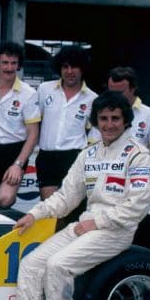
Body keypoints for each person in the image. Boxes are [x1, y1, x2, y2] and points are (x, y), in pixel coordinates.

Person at [2, 91, 150, 300]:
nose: (109, 124)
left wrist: (97, 222)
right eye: (103, 118)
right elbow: (65, 197)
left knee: (58, 265)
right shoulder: (90, 153)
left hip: (116, 230)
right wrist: (35, 215)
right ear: (95, 122)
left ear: (126, 121)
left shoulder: (139, 156)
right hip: (85, 225)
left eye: (115, 118)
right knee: (32, 263)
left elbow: (137, 207)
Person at [0, 41, 40, 208]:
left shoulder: (29, 93)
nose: (9, 68)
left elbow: (33, 133)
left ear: (19, 65)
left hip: (14, 152)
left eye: (14, 63)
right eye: (5, 62)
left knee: (4, 199)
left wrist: (18, 164)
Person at [35, 45, 98, 200]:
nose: (69, 71)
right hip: (47, 157)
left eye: (74, 67)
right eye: (65, 67)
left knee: (70, 209)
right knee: (50, 210)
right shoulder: (44, 89)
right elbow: (35, 123)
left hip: (75, 157)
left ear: (83, 69)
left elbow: (93, 134)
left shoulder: (92, 98)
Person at [96, 66, 150, 157]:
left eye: (120, 92)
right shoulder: (100, 113)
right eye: (112, 92)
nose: (115, 97)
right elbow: (93, 147)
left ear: (133, 88)